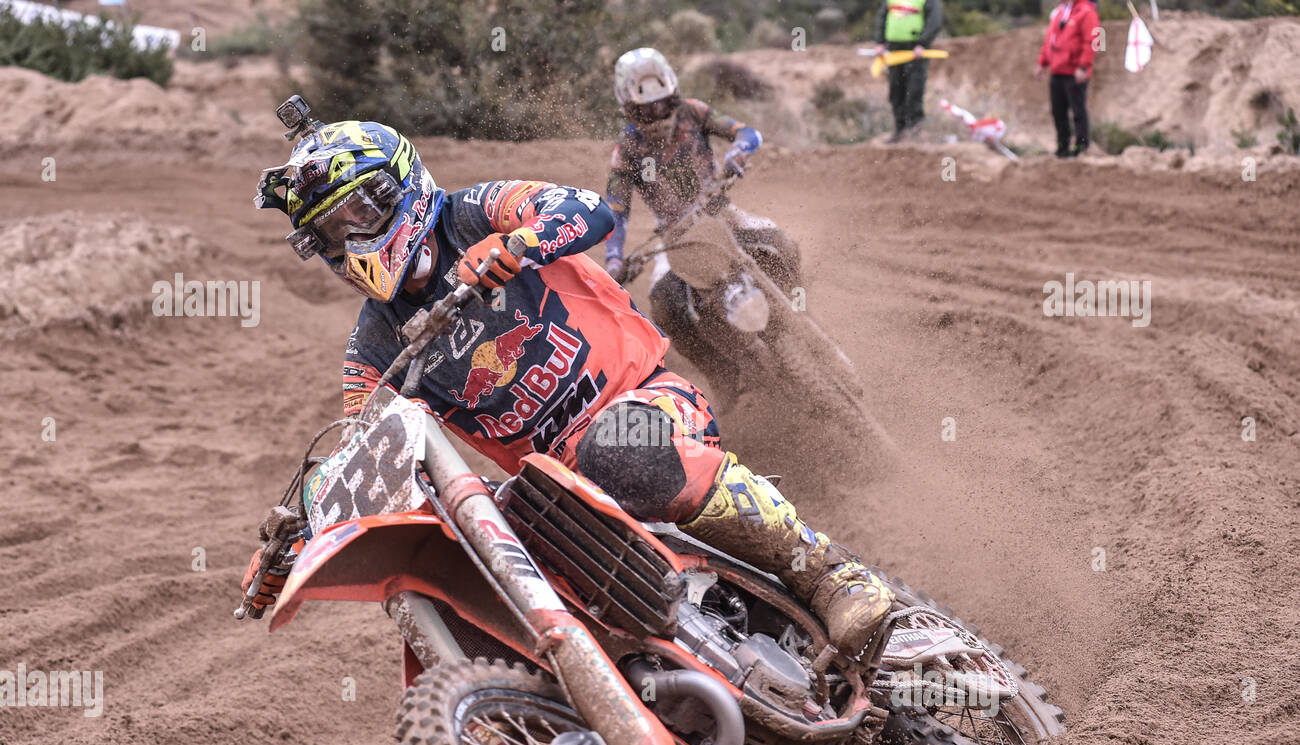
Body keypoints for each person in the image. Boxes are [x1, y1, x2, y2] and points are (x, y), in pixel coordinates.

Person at [243, 116, 893, 662]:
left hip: (648, 404)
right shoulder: (374, 342)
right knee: (484, 558)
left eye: (361, 208)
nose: (354, 235)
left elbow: (586, 210)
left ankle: (828, 569)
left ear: (400, 184)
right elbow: (361, 444)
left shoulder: (473, 213)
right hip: (558, 489)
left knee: (617, 448)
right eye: (333, 230)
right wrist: (295, 530)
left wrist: (521, 243)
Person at [603, 47, 800, 385]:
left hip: (719, 210)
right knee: (665, 307)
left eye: (662, 102)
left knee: (781, 243)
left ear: (672, 91)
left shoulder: (693, 112)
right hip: (674, 236)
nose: (656, 111)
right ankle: (725, 380)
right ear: (628, 104)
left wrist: (738, 152)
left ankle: (796, 315)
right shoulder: (627, 150)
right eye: (645, 106)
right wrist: (613, 259)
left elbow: (747, 133)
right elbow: (616, 213)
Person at [870, 0, 944, 142]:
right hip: (894, 50)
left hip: (916, 51)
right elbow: (882, 17)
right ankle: (900, 130)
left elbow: (934, 20)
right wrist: (880, 42)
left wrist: (923, 43)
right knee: (896, 91)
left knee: (914, 90)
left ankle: (915, 130)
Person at [1035, 0, 1100, 157]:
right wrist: (1042, 63)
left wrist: (1083, 66)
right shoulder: (1059, 12)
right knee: (1058, 112)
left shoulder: (1086, 12)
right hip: (1057, 70)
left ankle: (1082, 147)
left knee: (1078, 111)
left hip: (1075, 72)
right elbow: (1050, 40)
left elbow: (1093, 41)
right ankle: (1062, 147)